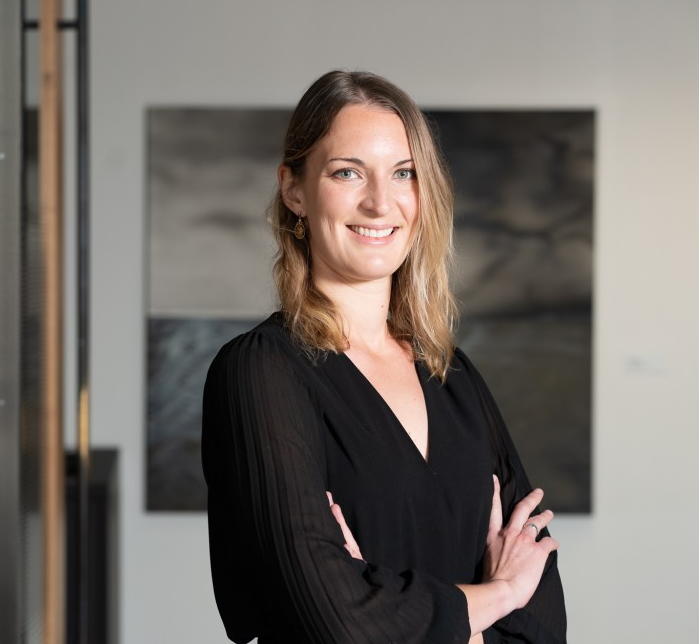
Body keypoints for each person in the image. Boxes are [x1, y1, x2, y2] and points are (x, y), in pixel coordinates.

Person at [202, 70, 567, 643]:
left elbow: (543, 621)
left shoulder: (454, 374)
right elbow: (335, 623)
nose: (380, 202)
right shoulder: (260, 372)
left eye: (404, 173)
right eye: (347, 172)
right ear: (294, 190)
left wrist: (389, 606)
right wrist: (497, 596)